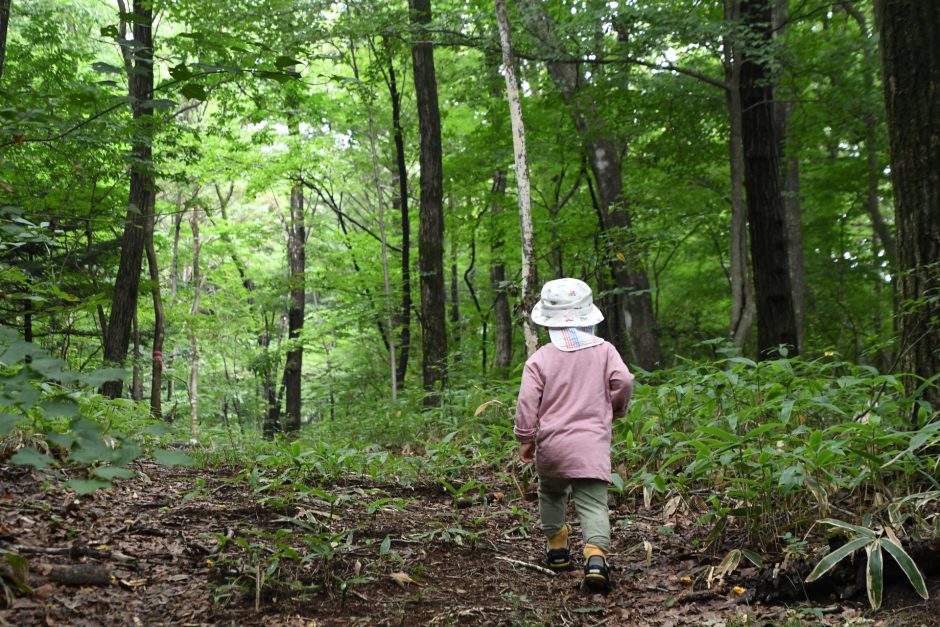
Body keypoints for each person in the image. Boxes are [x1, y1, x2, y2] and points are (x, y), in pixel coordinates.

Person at [514, 278, 634, 591]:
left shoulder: (540, 358)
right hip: (591, 447)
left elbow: (527, 401)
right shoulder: (605, 351)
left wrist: (526, 437)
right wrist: (616, 409)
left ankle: (557, 550)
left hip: (553, 446)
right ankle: (595, 558)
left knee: (551, 493)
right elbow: (623, 381)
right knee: (593, 503)